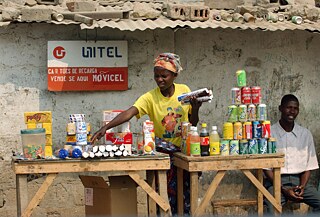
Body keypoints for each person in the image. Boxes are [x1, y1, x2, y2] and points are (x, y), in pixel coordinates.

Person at [91, 52, 202, 215]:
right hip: (164, 154)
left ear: (174, 75)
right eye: (156, 76)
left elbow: (193, 123)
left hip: (184, 152)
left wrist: (196, 108)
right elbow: (129, 112)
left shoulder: (184, 91)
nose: (160, 80)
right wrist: (106, 127)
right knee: (162, 197)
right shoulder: (150, 97)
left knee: (185, 198)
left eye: (164, 76)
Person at [264, 94, 320, 213]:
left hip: (299, 182)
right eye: (288, 107)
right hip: (276, 182)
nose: (292, 111)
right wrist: (283, 189)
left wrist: (302, 187)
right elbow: (266, 168)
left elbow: (308, 167)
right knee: (270, 206)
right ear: (280, 108)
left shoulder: (305, 134)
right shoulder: (269, 134)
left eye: (295, 108)